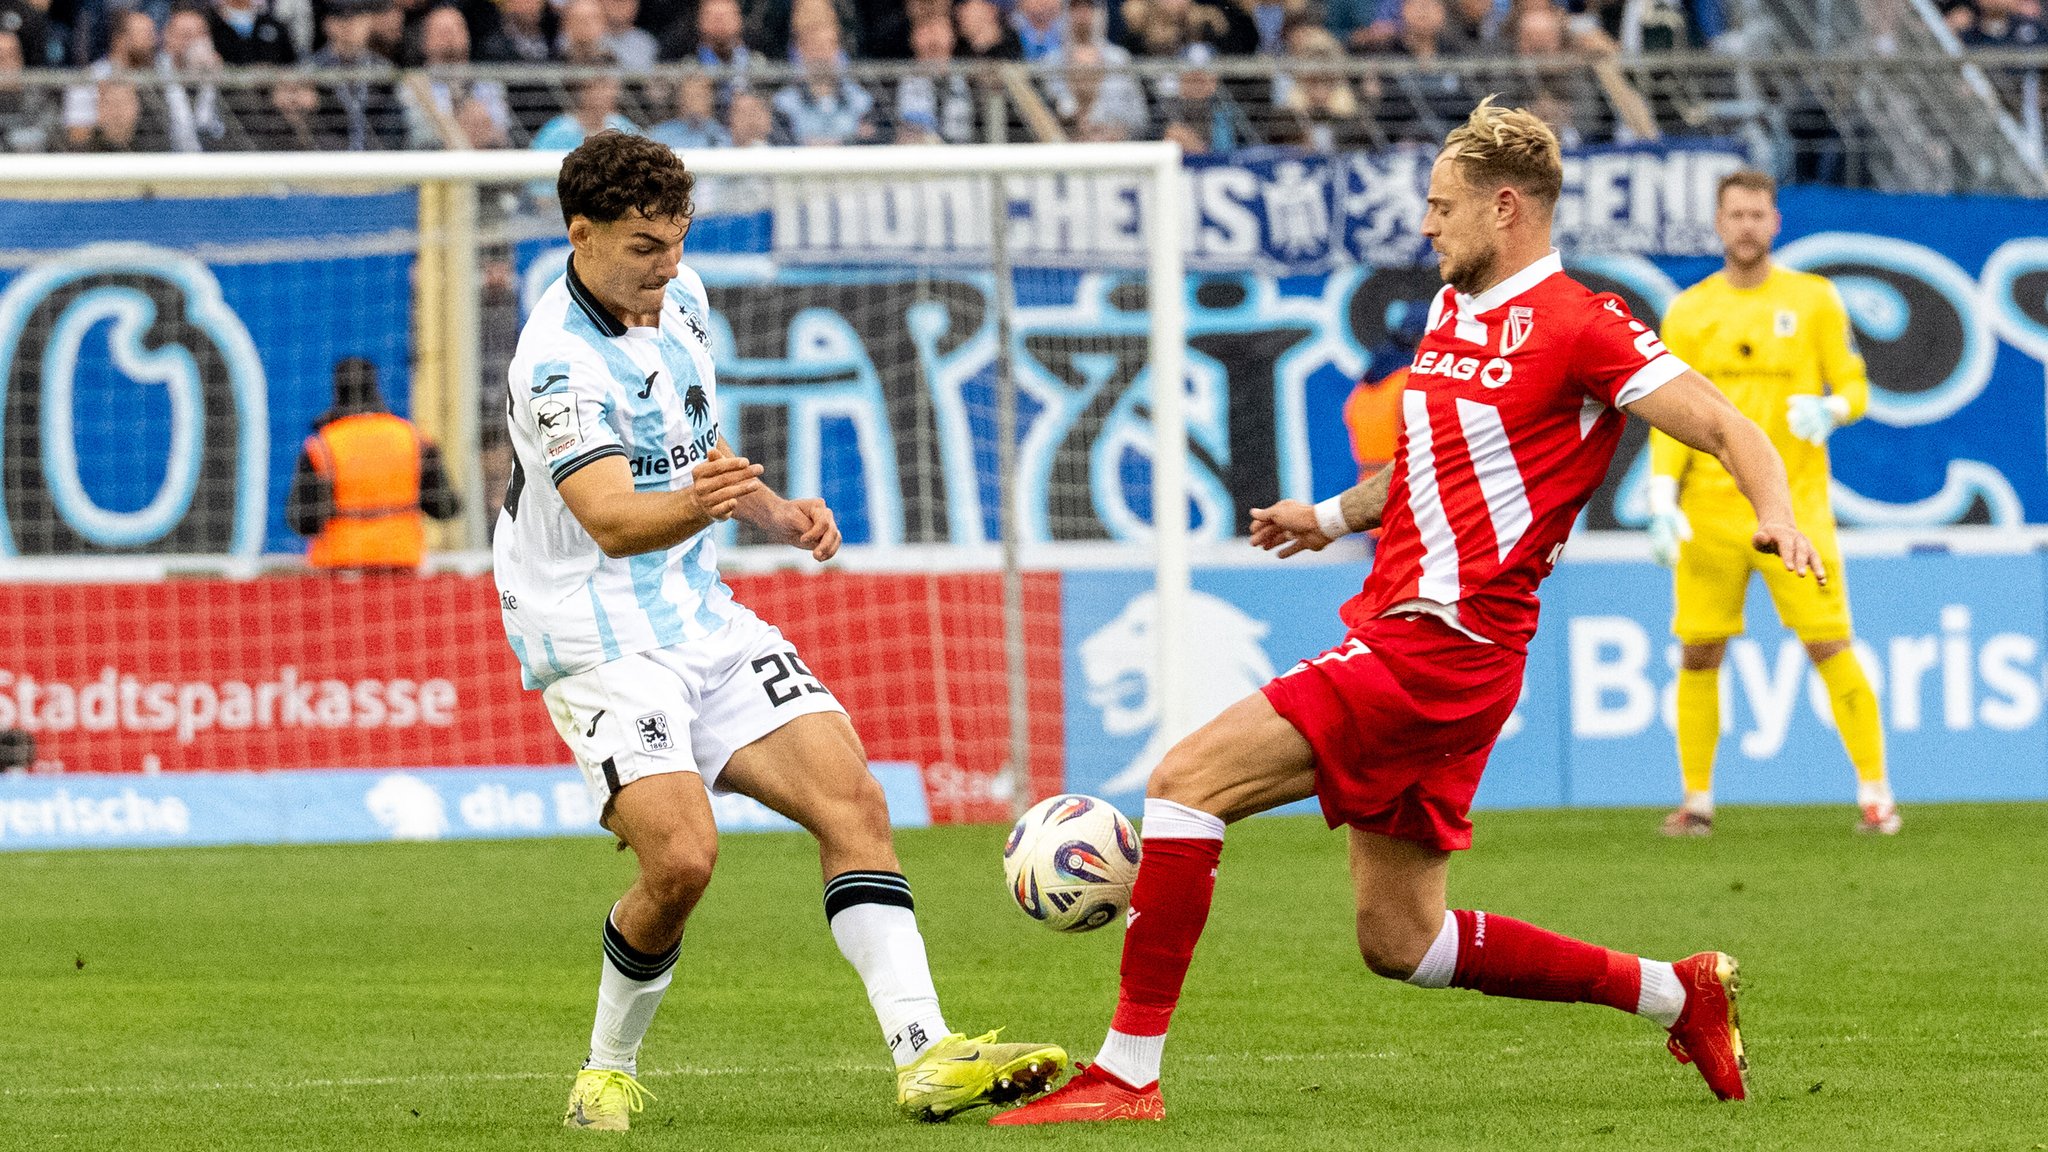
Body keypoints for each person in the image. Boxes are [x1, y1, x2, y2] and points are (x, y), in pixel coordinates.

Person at [991, 98, 1825, 1126]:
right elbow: (1426, 467)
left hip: (1445, 643)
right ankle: (1673, 991)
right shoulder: (1446, 312)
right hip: (1409, 630)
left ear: (1504, 208)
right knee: (1401, 941)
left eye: (1440, 207)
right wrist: (1325, 514)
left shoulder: (1581, 325)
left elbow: (1727, 427)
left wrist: (1778, 517)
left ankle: (1125, 1074)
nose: (1425, 225)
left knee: (1180, 785)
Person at [493, 132, 1065, 1132]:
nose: (665, 265)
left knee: (852, 802)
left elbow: (695, 440)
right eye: (641, 247)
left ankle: (923, 1054)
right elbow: (618, 520)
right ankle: (607, 1068)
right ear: (578, 234)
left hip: (700, 614)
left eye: (675, 240)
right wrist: (713, 504)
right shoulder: (556, 369)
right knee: (680, 863)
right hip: (598, 637)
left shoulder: (682, 301)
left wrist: (773, 508)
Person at [1646, 169, 1898, 837]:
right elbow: (1672, 413)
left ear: (1775, 222)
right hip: (1709, 509)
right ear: (1719, 223)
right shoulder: (1691, 310)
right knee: (1699, 651)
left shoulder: (1813, 300)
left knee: (1828, 643)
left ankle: (1876, 794)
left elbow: (1853, 380)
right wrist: (1660, 492)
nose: (1748, 225)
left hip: (1795, 507)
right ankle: (1696, 801)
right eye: (1737, 214)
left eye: (1759, 214)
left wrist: (1835, 407)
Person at [286, 358, 460, 570]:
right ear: (376, 387)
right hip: (401, 566)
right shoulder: (414, 440)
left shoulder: (322, 446)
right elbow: (446, 508)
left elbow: (304, 522)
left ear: (337, 390)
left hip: (338, 570)